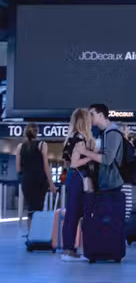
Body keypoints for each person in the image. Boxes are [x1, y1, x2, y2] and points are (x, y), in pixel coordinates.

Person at [60, 108, 95, 261]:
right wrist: (92, 157)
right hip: (80, 178)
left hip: (72, 178)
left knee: (71, 214)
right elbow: (75, 163)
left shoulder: (70, 138)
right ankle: (70, 251)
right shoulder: (80, 138)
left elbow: (68, 162)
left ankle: (68, 248)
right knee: (79, 214)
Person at [16, 123, 56, 230]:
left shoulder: (20, 147)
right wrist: (51, 184)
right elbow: (46, 166)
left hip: (26, 180)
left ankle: (31, 235)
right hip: (40, 181)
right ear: (37, 132)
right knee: (38, 208)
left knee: (30, 208)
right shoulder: (42, 144)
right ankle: (37, 234)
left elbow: (18, 169)